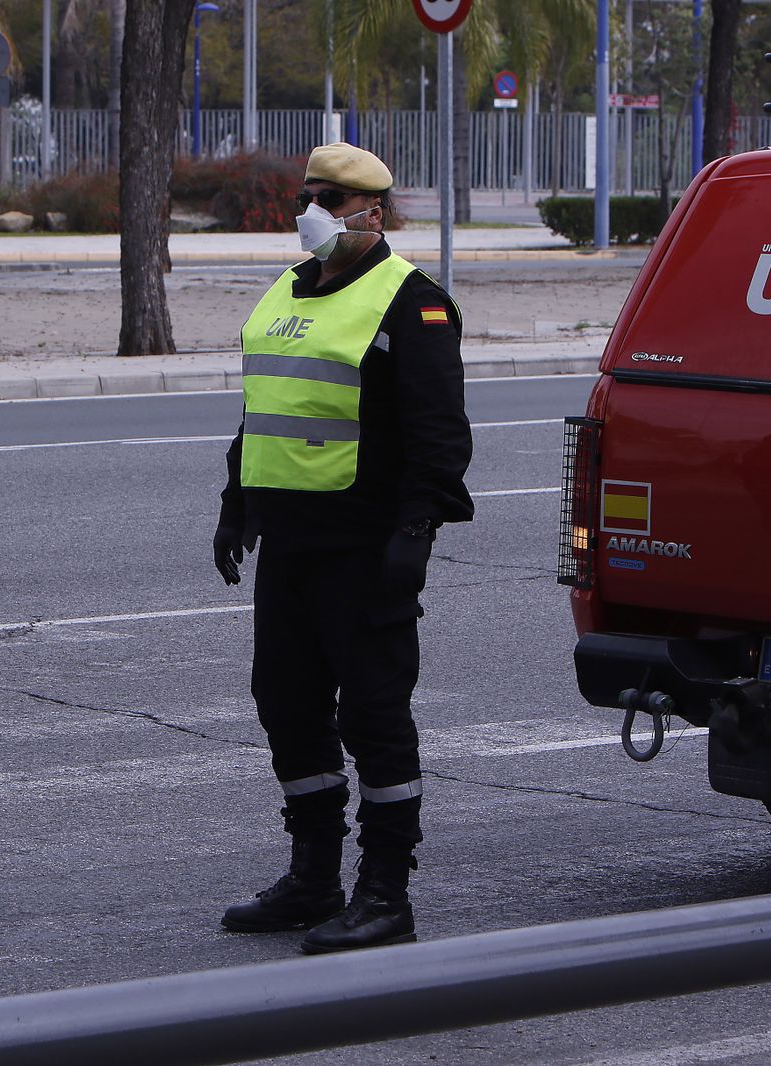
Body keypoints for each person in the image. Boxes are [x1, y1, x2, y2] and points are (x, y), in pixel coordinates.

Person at [214, 143, 474, 953]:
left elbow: (439, 439)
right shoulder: (286, 294)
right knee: (286, 708)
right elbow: (267, 408)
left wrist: (414, 536)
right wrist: (235, 505)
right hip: (289, 545)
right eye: (308, 195)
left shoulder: (411, 303)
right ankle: (313, 877)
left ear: (375, 212)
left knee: (374, 717)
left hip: (364, 550)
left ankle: (385, 894)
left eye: (330, 198)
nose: (312, 210)